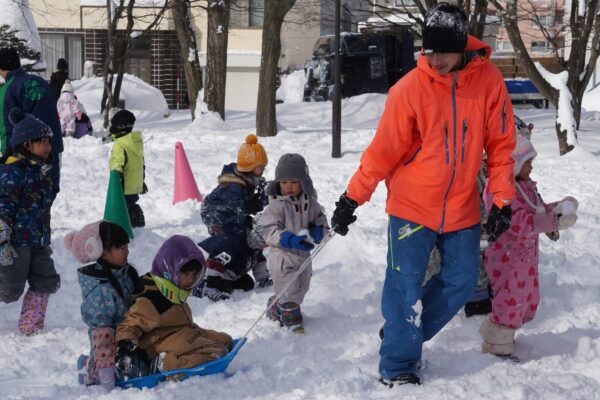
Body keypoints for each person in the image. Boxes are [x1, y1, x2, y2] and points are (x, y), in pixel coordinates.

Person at [329, 3, 517, 387]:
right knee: (405, 287)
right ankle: (398, 364)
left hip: (461, 206)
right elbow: (382, 151)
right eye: (430, 51)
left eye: (445, 51)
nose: (437, 59)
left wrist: (502, 200)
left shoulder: (488, 81)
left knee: (462, 281)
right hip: (411, 207)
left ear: (462, 46)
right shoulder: (409, 89)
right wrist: (352, 198)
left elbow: (500, 147)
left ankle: (402, 332)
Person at [479, 135, 578, 357]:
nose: (531, 167)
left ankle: (503, 336)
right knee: (509, 298)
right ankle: (496, 344)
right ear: (512, 164)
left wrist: (560, 208)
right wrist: (554, 221)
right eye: (527, 162)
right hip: (507, 259)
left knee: (524, 297)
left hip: (523, 260)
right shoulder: (501, 191)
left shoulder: (525, 187)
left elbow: (538, 210)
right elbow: (520, 223)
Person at [115, 235, 233, 378]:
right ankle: (163, 365)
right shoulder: (151, 298)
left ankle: (195, 348)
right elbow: (129, 325)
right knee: (215, 353)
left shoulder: (173, 287)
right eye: (186, 274)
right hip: (159, 343)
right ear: (169, 269)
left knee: (226, 340)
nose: (190, 280)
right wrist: (125, 347)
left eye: (194, 275)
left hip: (181, 332)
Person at [0, 108, 60, 336]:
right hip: (15, 242)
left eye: (48, 141)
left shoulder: (41, 171)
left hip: (39, 240)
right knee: (10, 290)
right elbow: (3, 206)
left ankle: (30, 327)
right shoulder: (11, 173)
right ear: (26, 144)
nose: (47, 146)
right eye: (41, 142)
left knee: (46, 280)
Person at [256, 154, 329, 333]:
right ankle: (293, 323)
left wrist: (319, 230)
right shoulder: (276, 206)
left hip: (303, 256)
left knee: (302, 289)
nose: (288, 187)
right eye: (284, 182)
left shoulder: (311, 204)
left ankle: (276, 306)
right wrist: (286, 238)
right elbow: (268, 229)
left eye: (294, 182)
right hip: (282, 257)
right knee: (290, 293)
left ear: (303, 182)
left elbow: (321, 220)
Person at [194, 133, 271, 301]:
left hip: (230, 214)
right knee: (233, 240)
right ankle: (208, 284)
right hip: (217, 214)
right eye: (261, 167)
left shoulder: (248, 179)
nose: (263, 170)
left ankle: (226, 278)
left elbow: (248, 206)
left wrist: (264, 196)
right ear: (250, 167)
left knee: (244, 245)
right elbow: (241, 211)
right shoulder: (233, 188)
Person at [65, 220, 140, 390]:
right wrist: (107, 375)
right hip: (110, 349)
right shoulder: (101, 291)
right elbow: (102, 334)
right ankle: (92, 369)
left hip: (129, 337)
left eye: (127, 246)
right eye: (121, 248)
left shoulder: (125, 274)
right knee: (129, 370)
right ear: (103, 253)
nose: (127, 251)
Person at [108, 109, 147, 228]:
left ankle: (128, 226)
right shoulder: (135, 142)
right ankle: (136, 221)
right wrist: (141, 181)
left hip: (124, 186)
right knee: (130, 204)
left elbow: (117, 164)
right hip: (134, 185)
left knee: (122, 209)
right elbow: (140, 163)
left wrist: (116, 183)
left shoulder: (120, 144)